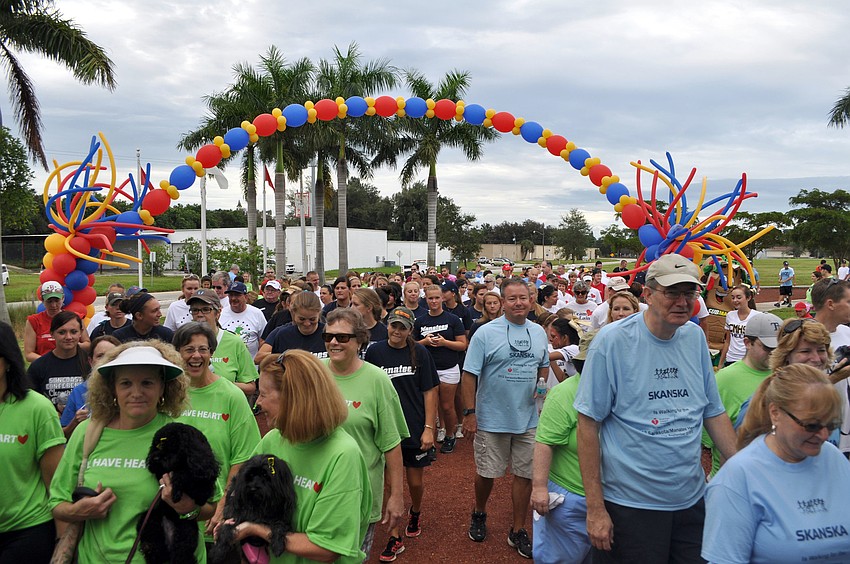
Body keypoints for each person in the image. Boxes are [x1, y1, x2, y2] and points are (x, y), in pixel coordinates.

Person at [574, 253, 737, 563]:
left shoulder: (694, 338)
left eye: (690, 293)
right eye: (672, 292)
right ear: (647, 295)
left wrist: (746, 467)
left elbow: (712, 411)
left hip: (690, 499)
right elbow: (588, 425)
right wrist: (595, 509)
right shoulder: (613, 341)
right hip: (631, 504)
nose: (682, 301)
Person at [50, 342, 215, 562]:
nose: (136, 392)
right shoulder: (86, 433)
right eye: (126, 383)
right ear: (112, 388)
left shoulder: (181, 436)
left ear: (163, 388)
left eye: (147, 383)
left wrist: (187, 508)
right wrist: (80, 511)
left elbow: (211, 504)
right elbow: (57, 504)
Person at [702, 364, 850, 564]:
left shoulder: (834, 459)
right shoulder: (739, 477)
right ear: (775, 413)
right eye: (811, 425)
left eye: (831, 425)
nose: (823, 435)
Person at [245, 350, 371, 562]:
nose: (258, 403)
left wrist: (257, 530)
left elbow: (326, 547)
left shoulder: (342, 454)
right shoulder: (274, 439)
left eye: (264, 394)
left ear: (293, 399)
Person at [461, 278, 549, 559]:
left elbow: (543, 366)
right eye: (512, 299)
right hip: (491, 417)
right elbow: (469, 374)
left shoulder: (538, 332)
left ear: (530, 299)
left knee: (524, 475)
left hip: (528, 419)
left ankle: (518, 528)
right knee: (487, 473)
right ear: (502, 302)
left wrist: (541, 385)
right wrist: (470, 413)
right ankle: (479, 511)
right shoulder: (485, 333)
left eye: (523, 297)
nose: (519, 303)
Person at [323, 308, 408, 560]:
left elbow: (391, 444)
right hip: (314, 490)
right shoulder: (314, 373)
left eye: (342, 337)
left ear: (360, 339)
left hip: (359, 494)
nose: (334, 342)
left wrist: (396, 496)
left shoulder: (377, 380)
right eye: (328, 337)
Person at [173, 322, 260, 544]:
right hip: (172, 519)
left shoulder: (231, 396)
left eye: (203, 349)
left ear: (212, 353)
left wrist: (222, 506)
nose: (196, 356)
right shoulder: (168, 395)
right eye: (189, 349)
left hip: (216, 524)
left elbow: (243, 458)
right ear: (177, 353)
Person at [365, 307, 439, 562]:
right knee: (388, 484)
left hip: (414, 426)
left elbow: (430, 391)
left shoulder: (420, 352)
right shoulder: (374, 352)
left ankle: (415, 511)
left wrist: (429, 428)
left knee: (415, 482)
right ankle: (394, 536)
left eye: (402, 328)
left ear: (410, 331)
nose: (396, 331)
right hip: (386, 429)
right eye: (393, 326)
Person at [0, 322, 65, 562]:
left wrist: (62, 541)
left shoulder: (36, 408)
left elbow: (56, 484)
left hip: (26, 531)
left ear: (8, 360)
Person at [531, 329, 597, 564]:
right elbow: (545, 441)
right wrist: (539, 487)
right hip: (571, 496)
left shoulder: (622, 392)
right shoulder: (565, 393)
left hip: (612, 495)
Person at [703, 313, 781, 476]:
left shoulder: (785, 374)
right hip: (730, 476)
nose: (774, 353)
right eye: (768, 347)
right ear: (747, 343)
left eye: (779, 347)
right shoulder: (724, 379)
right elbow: (707, 443)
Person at [414, 284, 467, 454]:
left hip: (449, 367)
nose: (434, 301)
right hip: (427, 369)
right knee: (427, 407)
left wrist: (444, 342)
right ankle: (426, 438)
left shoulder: (452, 320)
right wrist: (425, 342)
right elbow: (411, 345)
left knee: (446, 406)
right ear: (426, 299)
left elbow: (462, 344)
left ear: (442, 298)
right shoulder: (420, 321)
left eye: (437, 297)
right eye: (430, 298)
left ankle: (450, 435)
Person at [188, 289, 258, 397]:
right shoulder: (183, 341)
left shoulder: (234, 342)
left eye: (206, 309)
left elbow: (250, 387)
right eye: (195, 310)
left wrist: (220, 384)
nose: (199, 315)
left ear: (218, 312)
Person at [810, 278, 850, 458]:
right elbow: (793, 389)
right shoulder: (803, 339)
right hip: (820, 434)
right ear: (831, 304)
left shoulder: (847, 332)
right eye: (848, 301)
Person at [27, 311, 89, 413]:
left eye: (74, 332)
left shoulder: (90, 363)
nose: (68, 337)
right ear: (52, 334)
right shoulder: (39, 366)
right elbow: (30, 402)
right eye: (62, 332)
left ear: (81, 333)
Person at [60, 335, 120, 438]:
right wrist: (74, 422)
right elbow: (62, 435)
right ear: (91, 361)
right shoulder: (79, 391)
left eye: (111, 356)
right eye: (100, 356)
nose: (105, 360)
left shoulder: (128, 390)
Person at [257, 290, 327, 365]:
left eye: (312, 319)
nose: (307, 324)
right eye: (302, 319)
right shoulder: (283, 335)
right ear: (293, 313)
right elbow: (262, 360)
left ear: (319, 314)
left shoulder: (328, 334)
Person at [25, 280, 89, 362]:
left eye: (57, 301)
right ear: (42, 301)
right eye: (49, 301)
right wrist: (50, 361)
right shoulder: (34, 321)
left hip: (72, 363)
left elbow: (87, 344)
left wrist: (72, 344)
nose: (53, 305)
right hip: (45, 366)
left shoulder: (75, 318)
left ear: (63, 298)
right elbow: (29, 354)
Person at [219, 281, 267, 359]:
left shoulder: (257, 313)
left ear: (246, 297)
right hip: (227, 365)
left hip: (250, 366)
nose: (233, 298)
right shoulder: (221, 314)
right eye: (231, 295)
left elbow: (264, 340)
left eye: (237, 295)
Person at [718, 285, 761, 367]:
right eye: (733, 297)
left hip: (748, 360)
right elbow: (727, 341)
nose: (735, 300)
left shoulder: (757, 317)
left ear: (748, 298)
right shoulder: (730, 315)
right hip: (731, 359)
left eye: (739, 297)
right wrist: (721, 362)